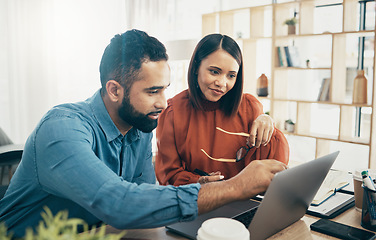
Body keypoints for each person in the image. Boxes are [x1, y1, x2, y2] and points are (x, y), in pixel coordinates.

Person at [0, 29, 287, 238]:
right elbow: (120, 203)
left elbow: (144, 202)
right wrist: (236, 187)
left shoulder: (139, 128)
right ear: (114, 90)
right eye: (153, 91)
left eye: (164, 89)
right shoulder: (61, 128)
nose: (163, 102)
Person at [155, 33, 289, 186]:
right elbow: (167, 174)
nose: (222, 83)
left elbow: (275, 170)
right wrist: (199, 182)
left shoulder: (250, 107)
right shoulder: (173, 112)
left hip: (244, 204)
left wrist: (269, 123)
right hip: (197, 203)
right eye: (214, 71)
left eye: (231, 75)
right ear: (196, 67)